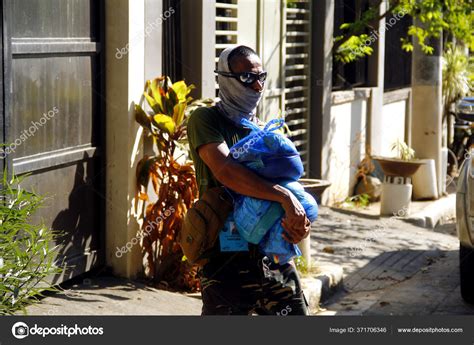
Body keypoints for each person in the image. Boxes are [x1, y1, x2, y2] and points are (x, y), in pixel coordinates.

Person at [187, 45, 311, 315]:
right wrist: (284, 197)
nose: (257, 86)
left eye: (261, 77)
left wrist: (298, 221)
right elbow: (226, 171)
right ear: (223, 78)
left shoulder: (262, 130)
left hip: (272, 254)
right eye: (247, 78)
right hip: (225, 257)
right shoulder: (206, 119)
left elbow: (288, 180)